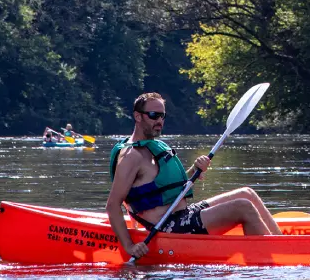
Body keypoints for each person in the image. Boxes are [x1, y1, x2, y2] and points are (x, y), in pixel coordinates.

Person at [107, 92, 282, 259]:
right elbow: (113, 205)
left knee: (246, 193)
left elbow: (164, 188)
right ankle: (276, 258)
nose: (159, 121)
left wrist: (194, 170)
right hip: (168, 227)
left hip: (182, 215)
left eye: (162, 116)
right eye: (153, 115)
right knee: (242, 207)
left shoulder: (151, 147)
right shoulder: (131, 156)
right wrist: (129, 246)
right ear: (138, 116)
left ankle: (283, 244)